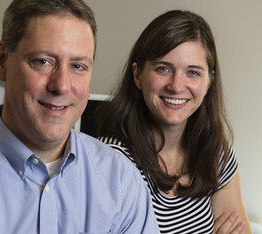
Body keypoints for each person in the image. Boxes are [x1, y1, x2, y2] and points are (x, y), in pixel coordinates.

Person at [0, 0, 160, 233]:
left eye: (78, 66)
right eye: (43, 62)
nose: (61, 86)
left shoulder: (121, 180)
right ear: (3, 61)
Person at [98, 10, 252, 234]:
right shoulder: (111, 161)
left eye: (193, 72)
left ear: (209, 81)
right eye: (163, 68)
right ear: (137, 75)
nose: (177, 86)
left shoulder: (215, 152)